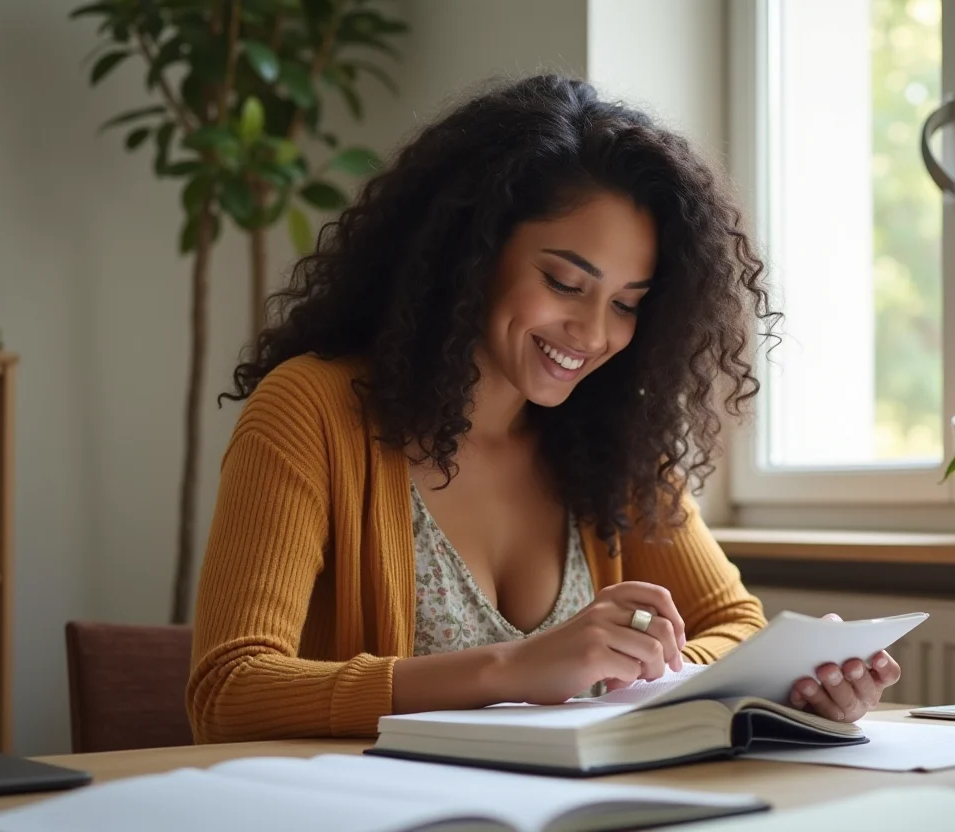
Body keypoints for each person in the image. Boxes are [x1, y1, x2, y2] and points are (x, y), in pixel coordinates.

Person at [186, 74, 901, 744]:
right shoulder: (311, 410)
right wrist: (514, 668)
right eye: (564, 282)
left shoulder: (611, 441)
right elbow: (227, 691)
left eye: (627, 305)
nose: (593, 334)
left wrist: (780, 684)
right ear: (470, 251)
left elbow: (734, 623)